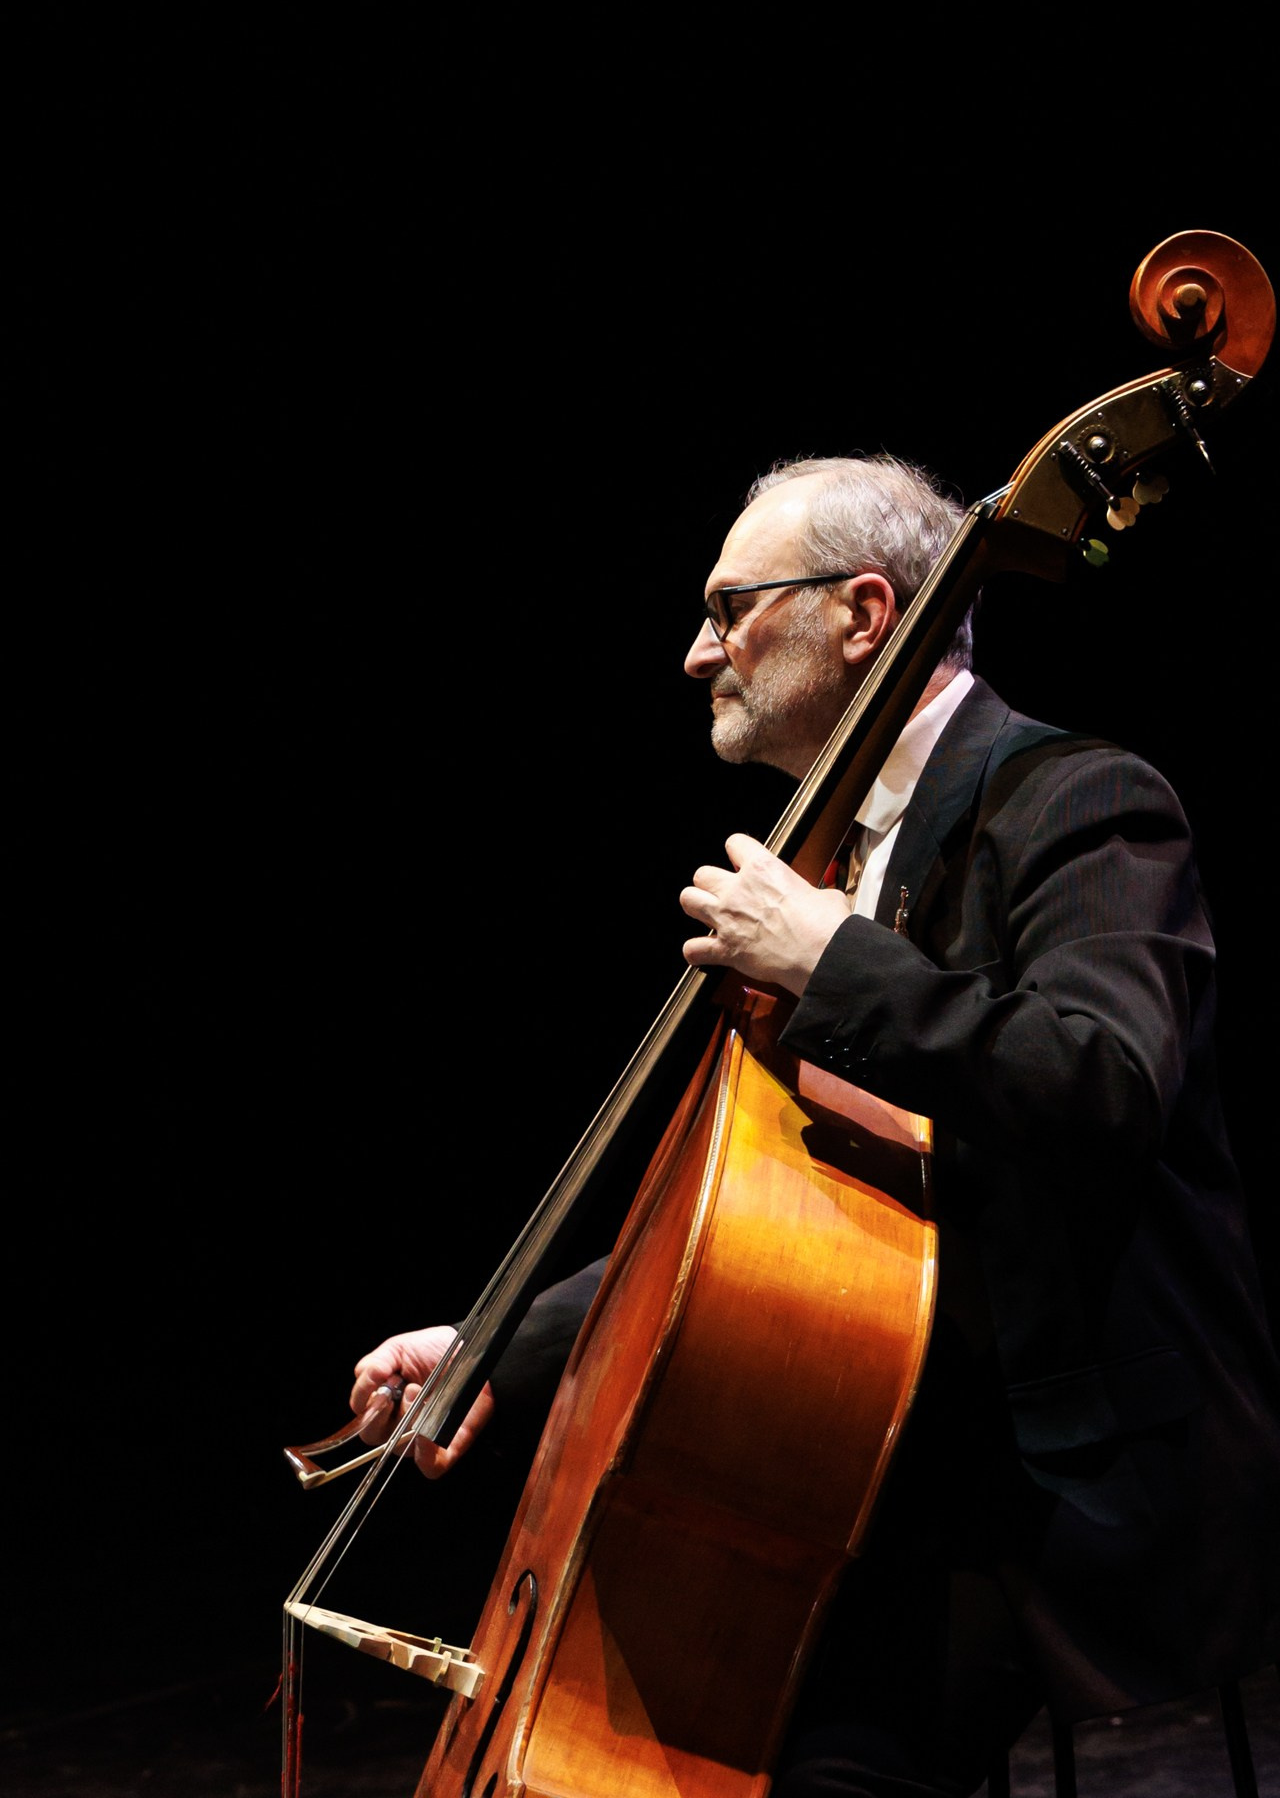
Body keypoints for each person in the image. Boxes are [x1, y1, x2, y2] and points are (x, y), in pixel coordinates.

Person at [350, 455, 1280, 1797]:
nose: (697, 654)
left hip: (1066, 1479)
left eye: (730, 610)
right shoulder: (833, 857)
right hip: (880, 1461)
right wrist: (499, 1345)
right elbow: (776, 1223)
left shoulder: (1083, 800)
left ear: (861, 612)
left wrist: (834, 963)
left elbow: (1106, 1082)